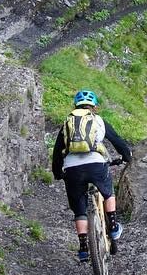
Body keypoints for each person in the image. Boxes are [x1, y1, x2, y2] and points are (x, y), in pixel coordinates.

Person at [51, 89, 132, 260]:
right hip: (96, 164)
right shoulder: (98, 120)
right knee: (108, 192)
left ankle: (83, 248)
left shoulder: (67, 123)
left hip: (72, 169)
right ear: (94, 106)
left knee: (79, 210)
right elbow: (117, 141)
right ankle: (114, 227)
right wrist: (126, 156)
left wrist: (58, 172)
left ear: (75, 106)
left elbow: (58, 151)